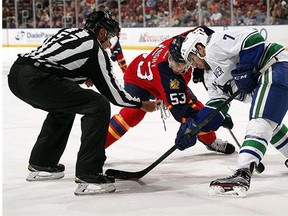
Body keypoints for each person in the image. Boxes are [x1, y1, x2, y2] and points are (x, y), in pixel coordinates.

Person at [7, 11, 158, 196]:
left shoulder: (69, 32)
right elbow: (114, 95)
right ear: (101, 33)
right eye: (109, 37)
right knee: (98, 105)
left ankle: (42, 164)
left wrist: (79, 76)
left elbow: (54, 63)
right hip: (37, 80)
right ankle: (89, 176)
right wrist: (141, 104)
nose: (110, 44)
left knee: (65, 106)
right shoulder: (95, 49)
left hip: (17, 74)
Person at [180, 27, 288, 197]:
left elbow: (252, 38)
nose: (192, 65)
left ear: (199, 48)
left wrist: (245, 69)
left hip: (274, 66)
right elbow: (218, 104)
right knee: (270, 125)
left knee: (261, 120)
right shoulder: (209, 77)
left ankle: (243, 172)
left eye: (192, 59)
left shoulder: (214, 43)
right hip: (267, 76)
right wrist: (196, 126)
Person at [105, 26, 235, 155]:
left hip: (155, 75)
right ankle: (97, 146)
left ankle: (211, 141)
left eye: (180, 64)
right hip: (137, 80)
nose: (176, 68)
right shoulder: (169, 76)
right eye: (173, 61)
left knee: (197, 106)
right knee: (133, 114)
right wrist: (216, 117)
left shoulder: (187, 41)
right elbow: (185, 114)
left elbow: (203, 30)